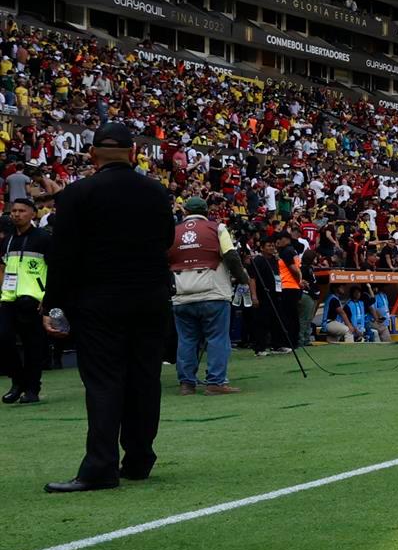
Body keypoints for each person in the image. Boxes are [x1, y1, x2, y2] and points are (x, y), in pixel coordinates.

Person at [39, 123, 175, 492]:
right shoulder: (157, 193)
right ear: (134, 154)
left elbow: (64, 257)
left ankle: (101, 465)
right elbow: (166, 242)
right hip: (150, 298)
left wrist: (53, 307)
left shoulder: (78, 195)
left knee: (103, 382)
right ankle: (139, 458)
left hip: (99, 300)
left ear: (93, 155)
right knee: (145, 379)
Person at [168, 196, 245, 395]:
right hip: (213, 293)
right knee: (217, 338)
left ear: (185, 211)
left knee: (186, 339)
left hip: (181, 294)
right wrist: (242, 277)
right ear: (206, 211)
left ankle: (186, 383)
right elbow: (230, 255)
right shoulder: (217, 228)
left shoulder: (172, 231)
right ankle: (216, 382)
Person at [2, 196, 52, 405]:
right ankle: (18, 381)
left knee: (33, 346)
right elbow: (3, 266)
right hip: (8, 298)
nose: (16, 214)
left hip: (33, 299)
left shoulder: (44, 238)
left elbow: (55, 270)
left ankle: (32, 388)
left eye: (22, 211)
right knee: (3, 338)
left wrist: (48, 297)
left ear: (33, 214)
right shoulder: (8, 240)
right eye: (14, 211)